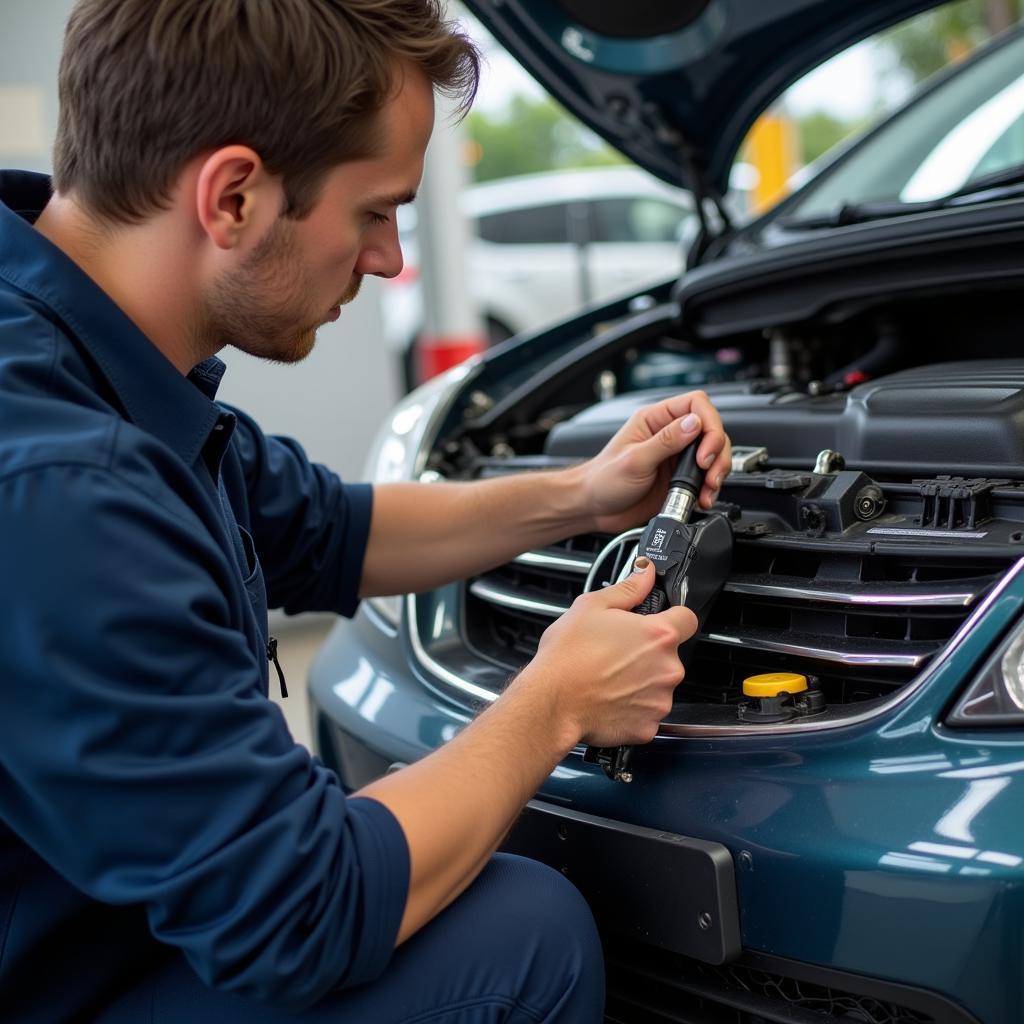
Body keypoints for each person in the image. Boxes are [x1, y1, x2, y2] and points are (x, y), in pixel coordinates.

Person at [0, 1, 733, 1021]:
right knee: (522, 937)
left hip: (113, 931)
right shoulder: (61, 488)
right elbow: (302, 912)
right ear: (235, 196)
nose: (389, 259)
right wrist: (551, 702)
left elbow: (333, 529)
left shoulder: (81, 355)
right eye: (374, 211)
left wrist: (583, 494)